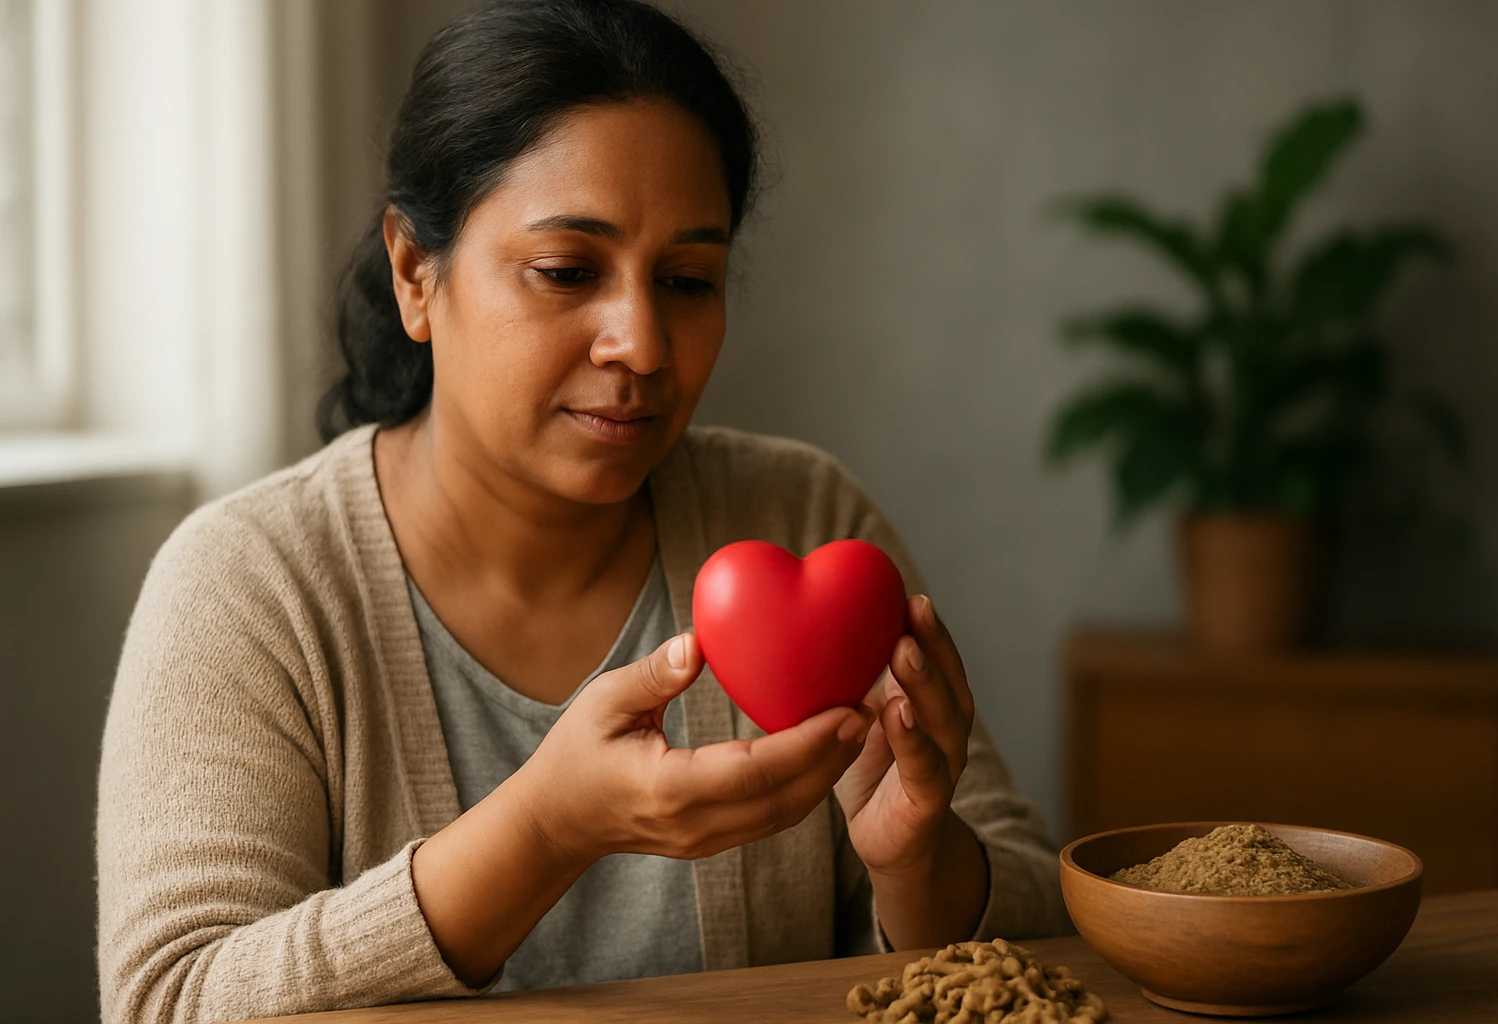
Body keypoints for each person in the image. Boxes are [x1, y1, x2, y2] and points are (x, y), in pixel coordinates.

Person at [95, 1, 1069, 1021]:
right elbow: (169, 996)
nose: (642, 344)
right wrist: (543, 832)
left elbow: (1042, 924)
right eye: (567, 271)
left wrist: (919, 863)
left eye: (689, 280)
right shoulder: (253, 584)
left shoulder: (804, 515)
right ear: (414, 272)